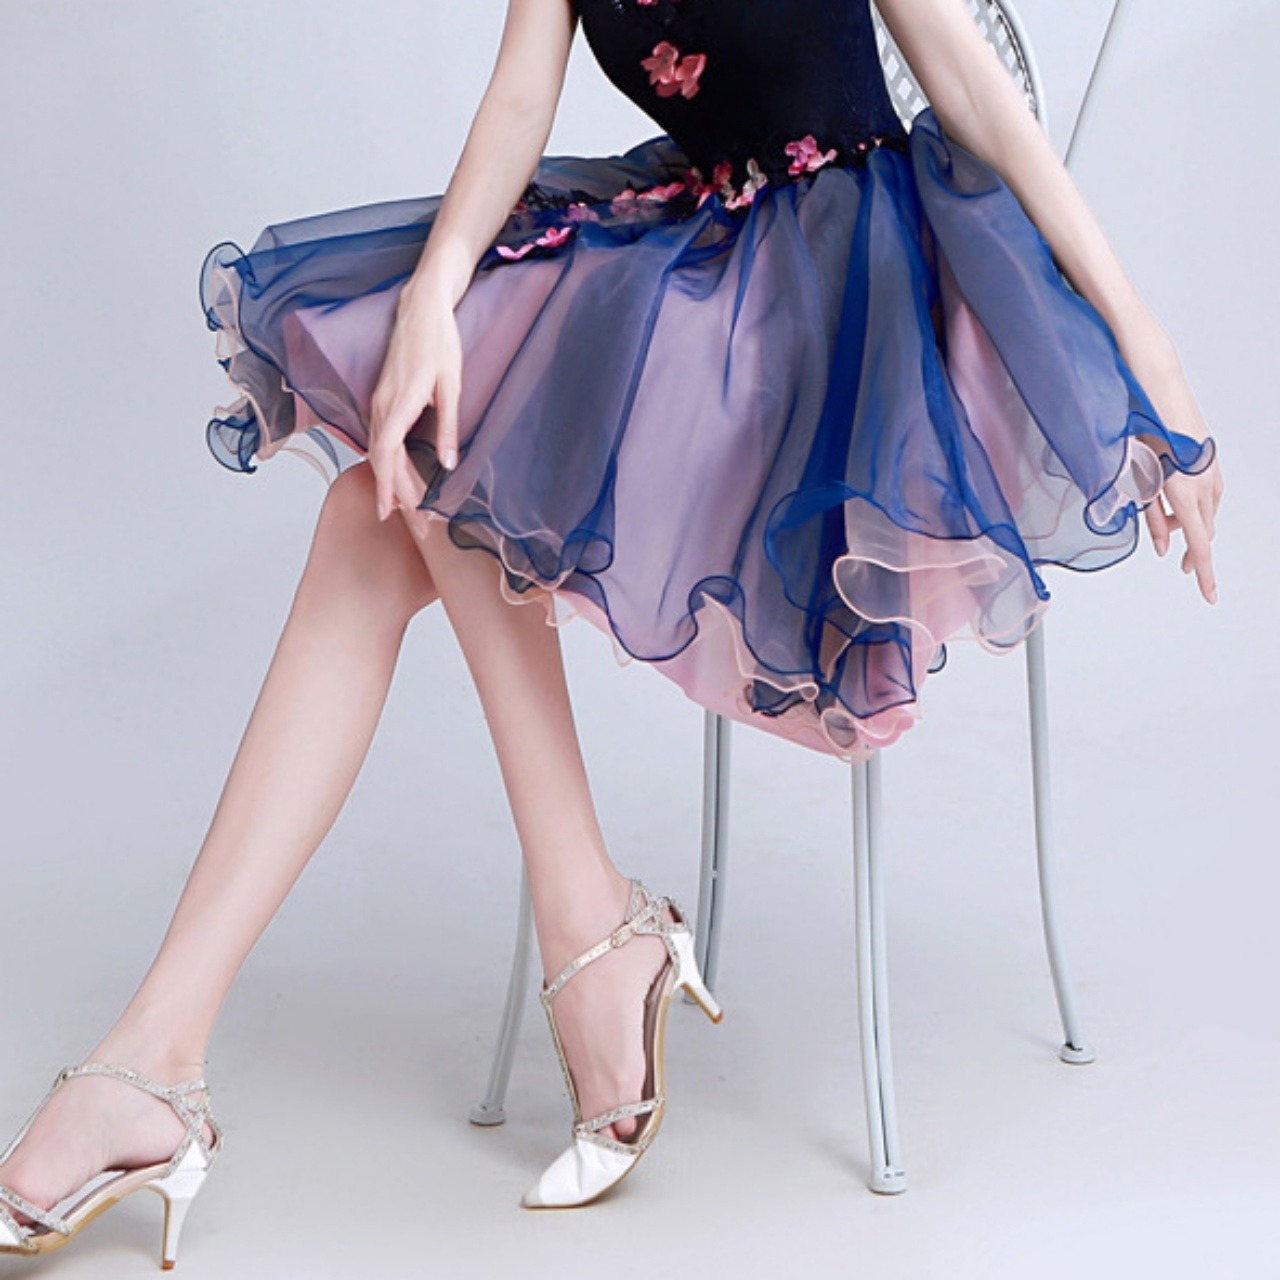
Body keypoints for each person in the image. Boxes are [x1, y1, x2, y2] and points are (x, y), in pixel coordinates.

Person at [1, 0, 1223, 1263]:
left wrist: (1156, 362)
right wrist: (433, 294)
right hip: (698, 248)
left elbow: (969, 93)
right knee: (387, 491)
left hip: (849, 315)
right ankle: (195, 1041)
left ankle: (233, 1039)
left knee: (432, 470)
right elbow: (520, 99)